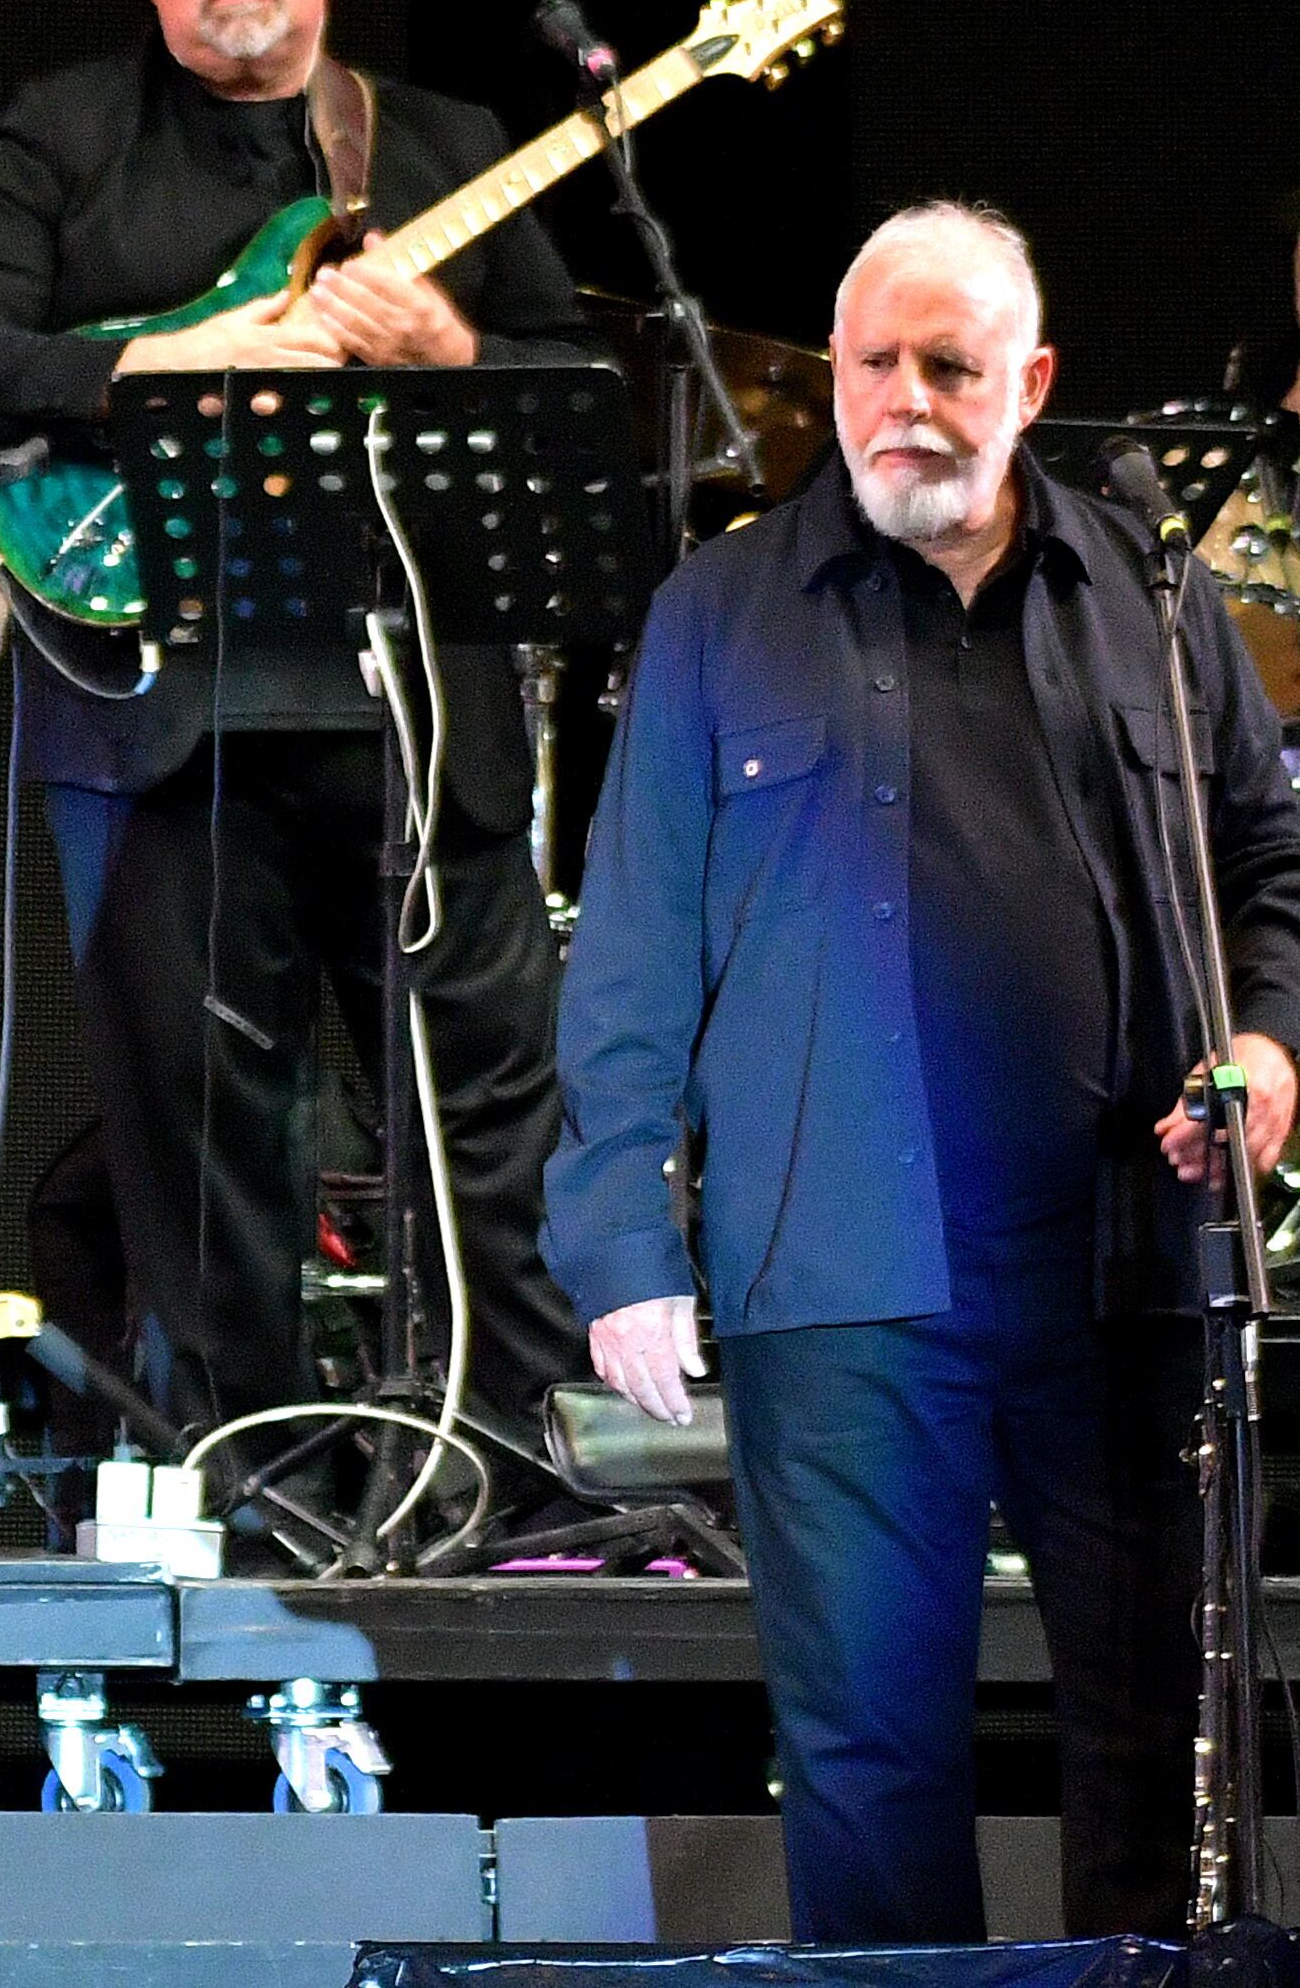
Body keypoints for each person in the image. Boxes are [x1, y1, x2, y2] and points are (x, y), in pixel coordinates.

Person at [549, 203, 1300, 1943]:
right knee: (869, 1757)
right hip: (835, 1281)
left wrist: (1264, 1036)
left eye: (946, 366)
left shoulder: (1149, 599)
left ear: (1026, 382)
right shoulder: (718, 608)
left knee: (1154, 1743)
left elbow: (1269, 857)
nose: (902, 400)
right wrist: (619, 1245)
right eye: (871, 362)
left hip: (1117, 1270)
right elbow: (633, 950)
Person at [0, 0, 596, 1435]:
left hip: (419, 712)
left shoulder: (441, 143)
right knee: (208, 1149)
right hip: (167, 717)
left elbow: (570, 408)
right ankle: (247, 1482)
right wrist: (143, 367)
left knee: (482, 1118)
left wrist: (445, 353)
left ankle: (511, 1470)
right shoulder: (66, 140)